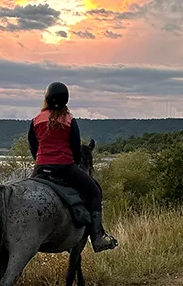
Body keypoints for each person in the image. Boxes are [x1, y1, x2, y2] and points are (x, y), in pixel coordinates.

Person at [28, 82, 118, 252]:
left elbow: (33, 146)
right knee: (94, 192)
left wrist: (40, 162)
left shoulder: (36, 121)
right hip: (65, 167)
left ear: (46, 98)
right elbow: (76, 150)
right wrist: (73, 163)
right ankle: (98, 238)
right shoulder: (69, 121)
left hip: (40, 168)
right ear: (65, 100)